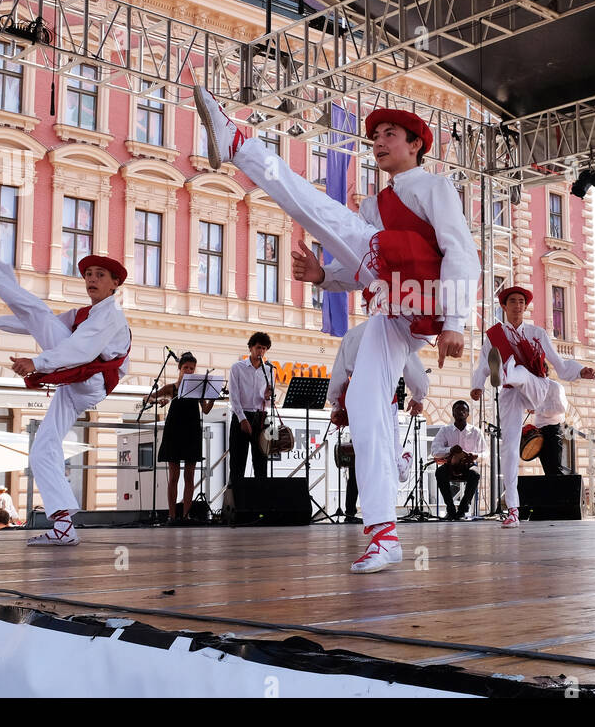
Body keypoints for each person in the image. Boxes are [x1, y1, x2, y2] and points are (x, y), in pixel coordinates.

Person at [196, 89, 479, 572]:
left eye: (390, 134)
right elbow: (362, 262)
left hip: (422, 290)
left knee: (325, 214)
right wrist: (324, 278)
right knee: (368, 410)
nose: (379, 142)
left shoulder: (435, 188)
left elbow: (461, 251)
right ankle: (383, 533)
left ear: (417, 144)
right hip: (393, 306)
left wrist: (456, 321)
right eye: (374, 137)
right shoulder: (375, 207)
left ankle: (241, 141)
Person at [0, 213, 132, 546]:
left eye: (100, 275)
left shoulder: (109, 315)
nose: (91, 279)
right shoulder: (85, 314)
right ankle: (63, 526)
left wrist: (36, 362)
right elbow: (36, 325)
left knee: (36, 310)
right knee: (42, 451)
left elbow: (78, 349)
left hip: (90, 380)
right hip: (80, 386)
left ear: (113, 284)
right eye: (88, 274)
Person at [470, 286, 595, 527]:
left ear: (525, 307)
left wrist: (581, 370)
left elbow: (559, 364)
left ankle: (506, 371)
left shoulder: (537, 333)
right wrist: (477, 386)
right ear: (503, 307)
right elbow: (482, 367)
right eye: (512, 302)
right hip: (509, 393)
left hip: (535, 387)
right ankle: (513, 510)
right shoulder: (494, 337)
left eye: (521, 301)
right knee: (508, 447)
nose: (517, 305)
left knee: (518, 372)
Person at [328, 320, 428, 523]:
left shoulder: (354, 334)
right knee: (375, 456)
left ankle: (382, 513)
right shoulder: (396, 330)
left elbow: (339, 370)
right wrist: (418, 395)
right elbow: (413, 368)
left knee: (368, 454)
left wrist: (336, 404)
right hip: (380, 396)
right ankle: (382, 513)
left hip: (361, 398)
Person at [145, 351, 218, 524]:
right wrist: (158, 401)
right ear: (179, 368)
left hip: (192, 430)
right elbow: (148, 398)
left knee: (190, 476)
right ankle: (172, 516)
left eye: (192, 368)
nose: (189, 371)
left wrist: (213, 397)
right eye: (186, 367)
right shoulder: (172, 388)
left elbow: (206, 410)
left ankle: (186, 515)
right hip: (174, 431)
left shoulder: (198, 389)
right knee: (174, 476)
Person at [228, 333, 274, 490]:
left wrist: (267, 396)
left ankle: (260, 506)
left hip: (261, 416)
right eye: (258, 347)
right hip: (242, 416)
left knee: (261, 463)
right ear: (251, 348)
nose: (261, 351)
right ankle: (235, 505)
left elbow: (267, 402)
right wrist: (242, 419)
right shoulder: (237, 367)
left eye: (264, 348)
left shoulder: (269, 371)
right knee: (237, 463)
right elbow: (233, 396)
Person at [430, 400, 485, 520]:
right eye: (458, 410)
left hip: (468, 465)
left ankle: (463, 508)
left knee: (475, 473)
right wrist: (450, 450)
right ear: (453, 414)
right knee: (440, 472)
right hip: (451, 465)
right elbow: (434, 450)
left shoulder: (476, 432)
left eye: (464, 410)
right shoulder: (445, 430)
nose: (461, 412)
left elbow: (485, 452)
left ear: (468, 414)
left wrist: (475, 455)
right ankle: (450, 508)